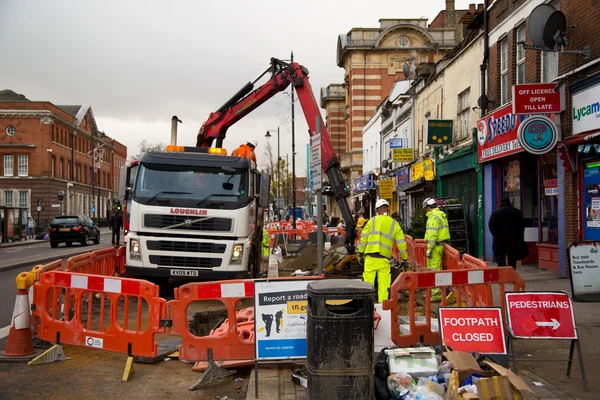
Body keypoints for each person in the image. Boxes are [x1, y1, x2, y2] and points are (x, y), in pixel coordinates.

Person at [358, 199, 408, 303]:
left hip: (370, 259)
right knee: (384, 287)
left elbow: (363, 239)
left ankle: (368, 306)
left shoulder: (371, 221)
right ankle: (383, 309)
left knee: (368, 285)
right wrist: (404, 258)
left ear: (377, 210)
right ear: (388, 209)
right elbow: (401, 243)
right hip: (384, 260)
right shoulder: (394, 224)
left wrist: (361, 254)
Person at [423, 198, 451, 301]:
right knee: (435, 268)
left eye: (426, 208)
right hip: (440, 245)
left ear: (429, 207)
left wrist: (430, 248)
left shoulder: (433, 217)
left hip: (435, 247)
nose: (426, 210)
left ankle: (436, 294)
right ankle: (433, 291)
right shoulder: (441, 215)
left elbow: (432, 234)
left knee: (434, 269)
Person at [488, 195, 526, 269]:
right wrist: (521, 239)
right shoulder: (517, 212)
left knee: (499, 257)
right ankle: (511, 274)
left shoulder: (496, 212)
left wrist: (495, 234)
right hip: (513, 240)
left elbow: (491, 225)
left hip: (499, 240)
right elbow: (521, 227)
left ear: (501, 202)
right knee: (512, 258)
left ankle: (504, 270)